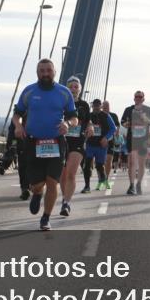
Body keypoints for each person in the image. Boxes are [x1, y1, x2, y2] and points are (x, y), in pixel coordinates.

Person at [13, 59, 78, 231]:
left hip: (56, 142)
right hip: (34, 142)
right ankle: (37, 193)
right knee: (37, 185)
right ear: (37, 73)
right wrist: (18, 126)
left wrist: (68, 124)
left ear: (54, 72)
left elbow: (74, 117)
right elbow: (17, 114)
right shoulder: (29, 91)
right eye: (42, 71)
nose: (45, 74)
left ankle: (46, 218)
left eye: (48, 70)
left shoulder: (64, 92)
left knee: (52, 182)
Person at [60, 76, 91, 215]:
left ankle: (66, 203)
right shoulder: (61, 103)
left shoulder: (84, 105)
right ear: (66, 89)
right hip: (62, 141)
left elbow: (88, 121)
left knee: (71, 173)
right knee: (63, 175)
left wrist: (90, 126)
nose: (73, 89)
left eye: (76, 87)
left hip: (78, 142)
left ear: (80, 89)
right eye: (70, 87)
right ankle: (64, 197)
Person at [121, 91, 150, 195]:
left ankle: (139, 184)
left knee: (142, 163)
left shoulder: (148, 109)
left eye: (140, 96)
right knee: (132, 162)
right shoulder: (128, 109)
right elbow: (122, 122)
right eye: (136, 96)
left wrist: (147, 119)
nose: (138, 98)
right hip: (132, 139)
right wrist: (127, 124)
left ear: (143, 99)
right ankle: (131, 185)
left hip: (143, 140)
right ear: (134, 98)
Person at [84, 98, 115, 190]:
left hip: (101, 145)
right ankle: (87, 186)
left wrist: (106, 138)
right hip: (90, 144)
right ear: (92, 106)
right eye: (95, 106)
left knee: (99, 166)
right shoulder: (88, 116)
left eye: (98, 106)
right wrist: (85, 134)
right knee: (87, 165)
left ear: (100, 106)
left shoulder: (106, 116)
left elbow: (113, 128)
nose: (96, 107)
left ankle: (104, 180)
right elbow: (83, 127)